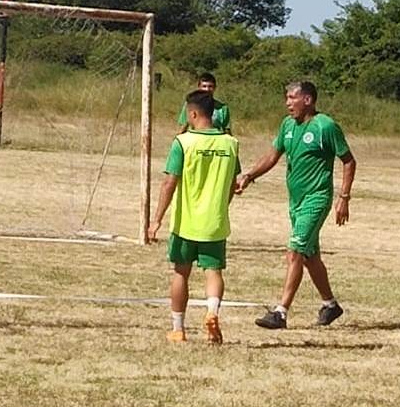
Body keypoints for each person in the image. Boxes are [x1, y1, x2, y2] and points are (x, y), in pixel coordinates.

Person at [236, 81, 356, 330]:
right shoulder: (287, 125)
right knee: (311, 257)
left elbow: (348, 160)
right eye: (286, 98)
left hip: (316, 199)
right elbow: (272, 155)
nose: (288, 103)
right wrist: (249, 176)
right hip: (296, 202)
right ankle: (331, 305)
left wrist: (343, 198)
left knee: (295, 251)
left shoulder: (326, 126)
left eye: (293, 98)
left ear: (308, 100)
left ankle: (280, 312)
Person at [149, 89, 240, 344]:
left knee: (181, 273)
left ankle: (178, 328)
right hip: (215, 222)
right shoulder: (230, 144)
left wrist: (156, 219)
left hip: (186, 223)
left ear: (193, 113)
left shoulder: (184, 142)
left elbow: (169, 182)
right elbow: (234, 183)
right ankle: (212, 312)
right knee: (213, 272)